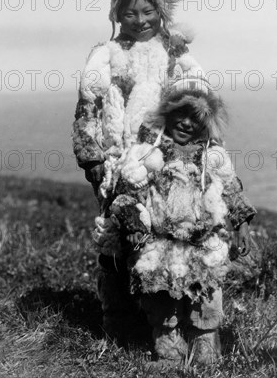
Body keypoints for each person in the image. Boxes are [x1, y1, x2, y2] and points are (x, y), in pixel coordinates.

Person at [72, 0, 205, 340]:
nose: (140, 20)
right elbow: (88, 107)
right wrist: (92, 157)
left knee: (161, 236)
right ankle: (119, 322)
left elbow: (195, 103)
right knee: (116, 236)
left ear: (161, 13)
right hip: (116, 163)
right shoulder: (105, 54)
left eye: (148, 12)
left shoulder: (176, 54)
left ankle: (164, 324)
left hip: (163, 161)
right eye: (130, 13)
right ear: (116, 15)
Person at [107, 77, 256, 365]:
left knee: (206, 301)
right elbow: (126, 195)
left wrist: (242, 224)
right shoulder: (148, 153)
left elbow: (231, 189)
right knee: (164, 307)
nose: (187, 123)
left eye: (196, 118)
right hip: (161, 246)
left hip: (202, 244)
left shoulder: (212, 156)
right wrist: (134, 225)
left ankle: (206, 356)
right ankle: (170, 357)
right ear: (167, 112)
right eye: (181, 114)